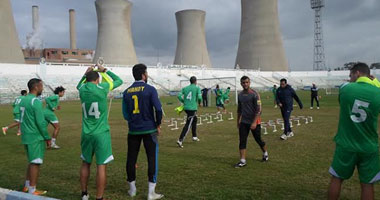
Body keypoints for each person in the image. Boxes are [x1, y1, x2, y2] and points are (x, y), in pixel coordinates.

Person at [328, 63, 380, 200]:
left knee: (337, 179)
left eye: (350, 75)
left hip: (346, 144)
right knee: (367, 184)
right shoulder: (378, 92)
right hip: (368, 146)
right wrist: (375, 82)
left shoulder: (346, 89)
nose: (349, 78)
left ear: (357, 73)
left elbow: (343, 93)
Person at [77, 66, 123, 200]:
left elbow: (79, 85)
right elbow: (119, 80)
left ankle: (84, 194)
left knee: (85, 163)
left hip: (86, 133)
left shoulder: (82, 89)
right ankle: (99, 197)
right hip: (101, 133)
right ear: (97, 80)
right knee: (101, 166)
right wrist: (105, 70)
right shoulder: (102, 88)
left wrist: (85, 75)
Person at [123, 64, 164, 200]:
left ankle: (132, 189)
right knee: (152, 158)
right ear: (143, 75)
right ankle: (151, 193)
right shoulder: (150, 89)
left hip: (133, 130)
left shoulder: (126, 92)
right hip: (149, 129)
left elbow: (125, 114)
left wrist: (133, 121)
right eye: (146, 73)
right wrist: (158, 124)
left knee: (131, 158)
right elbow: (158, 109)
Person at [20, 79, 51, 195]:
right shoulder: (35, 101)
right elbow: (40, 122)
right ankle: (32, 189)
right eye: (41, 86)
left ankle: (27, 186)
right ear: (36, 87)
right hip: (35, 136)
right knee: (35, 163)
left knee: (31, 161)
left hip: (26, 135)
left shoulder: (23, 100)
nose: (42, 88)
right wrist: (47, 137)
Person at [235, 76, 268, 168]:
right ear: (241, 84)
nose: (245, 84)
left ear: (249, 83)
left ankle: (265, 153)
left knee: (258, 139)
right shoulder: (240, 95)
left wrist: (254, 122)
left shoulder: (255, 94)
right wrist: (238, 121)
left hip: (254, 122)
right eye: (243, 82)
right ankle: (242, 160)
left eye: (247, 82)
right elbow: (239, 109)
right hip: (244, 122)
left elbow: (259, 110)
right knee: (242, 140)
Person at [176, 76, 202, 148]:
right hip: (192, 108)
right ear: (195, 81)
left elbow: (179, 95)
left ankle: (194, 136)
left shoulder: (185, 88)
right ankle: (180, 140)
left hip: (186, 107)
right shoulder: (197, 88)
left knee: (195, 119)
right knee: (188, 124)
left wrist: (183, 101)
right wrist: (200, 103)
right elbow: (200, 97)